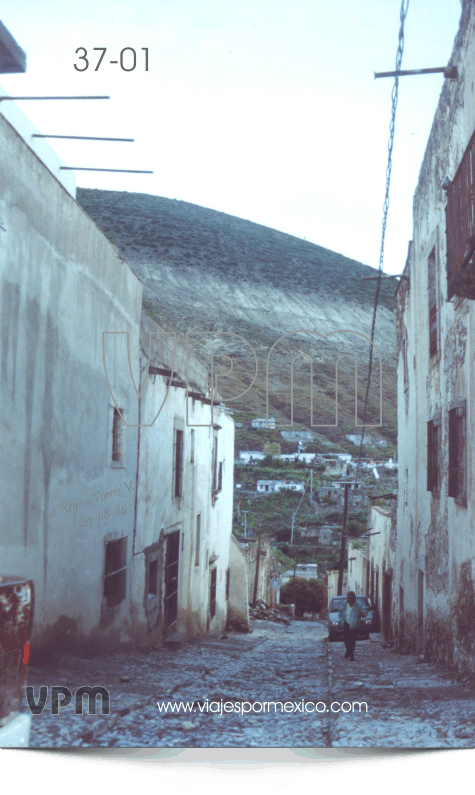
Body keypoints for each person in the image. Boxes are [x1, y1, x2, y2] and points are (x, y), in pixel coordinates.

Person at [338, 591, 368, 661]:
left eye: (352, 598)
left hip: (354, 624)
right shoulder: (344, 603)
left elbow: (365, 612)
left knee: (352, 640)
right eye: (349, 598)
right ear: (347, 598)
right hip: (346, 623)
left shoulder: (359, 604)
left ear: (354, 598)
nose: (351, 600)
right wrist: (341, 620)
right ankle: (348, 652)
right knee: (346, 639)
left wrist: (361, 613)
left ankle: (351, 655)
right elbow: (340, 612)